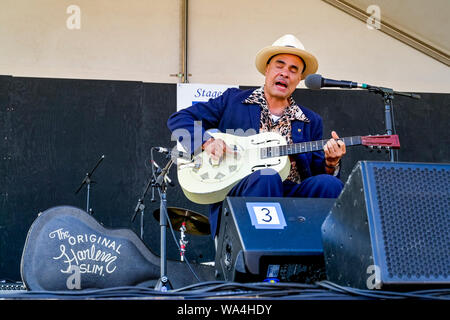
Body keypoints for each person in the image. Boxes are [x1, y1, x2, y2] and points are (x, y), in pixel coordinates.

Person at [167, 34, 346, 242]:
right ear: (267, 69)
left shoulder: (310, 120)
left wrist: (330, 164)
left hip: (292, 195)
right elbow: (180, 118)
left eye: (293, 70)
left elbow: (316, 172)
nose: (285, 73)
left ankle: (318, 258)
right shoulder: (233, 101)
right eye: (280, 65)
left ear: (299, 80)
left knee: (329, 185)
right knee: (267, 176)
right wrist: (207, 142)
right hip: (245, 192)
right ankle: (261, 254)